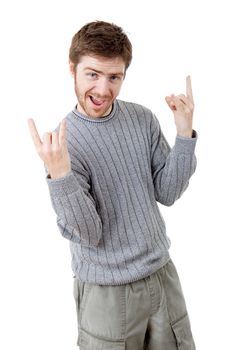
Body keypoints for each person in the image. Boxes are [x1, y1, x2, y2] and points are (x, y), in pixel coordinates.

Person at [28, 20, 197, 350]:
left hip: (162, 278)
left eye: (114, 77)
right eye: (92, 74)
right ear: (72, 69)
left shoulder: (141, 118)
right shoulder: (65, 145)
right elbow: (89, 234)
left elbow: (168, 191)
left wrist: (184, 134)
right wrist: (60, 176)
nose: (103, 89)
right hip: (106, 295)